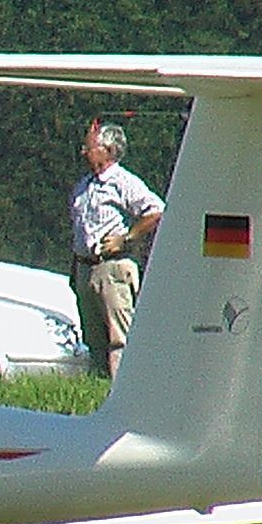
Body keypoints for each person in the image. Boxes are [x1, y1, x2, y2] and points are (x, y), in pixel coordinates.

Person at [69, 119, 164, 377]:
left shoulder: (123, 182)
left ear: (108, 150)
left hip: (113, 268)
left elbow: (155, 210)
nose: (84, 152)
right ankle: (98, 389)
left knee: (119, 338)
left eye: (89, 147)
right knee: (94, 337)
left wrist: (126, 238)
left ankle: (123, 391)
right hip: (85, 268)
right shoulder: (84, 185)